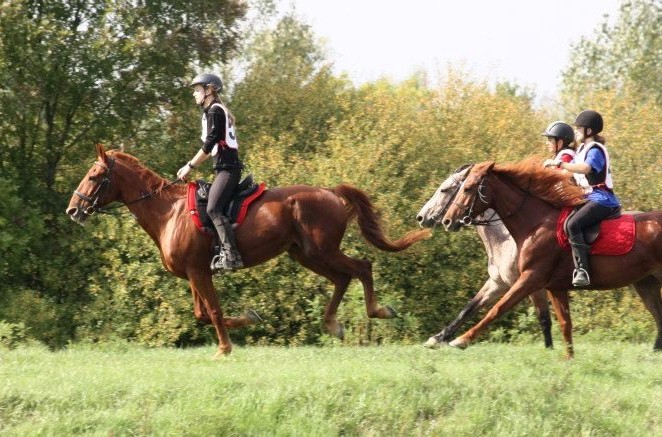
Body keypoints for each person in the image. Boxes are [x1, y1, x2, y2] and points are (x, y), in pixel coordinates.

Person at [544, 110, 621, 287]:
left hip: (602, 199)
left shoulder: (594, 149)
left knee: (573, 224)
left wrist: (560, 163)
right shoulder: (581, 149)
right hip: (587, 196)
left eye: (579, 129)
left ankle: (582, 271)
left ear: (589, 131)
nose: (576, 132)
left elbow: (586, 168)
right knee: (562, 221)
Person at [177, 73, 244, 271]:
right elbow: (209, 150)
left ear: (209, 91)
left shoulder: (215, 111)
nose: (194, 95)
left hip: (229, 170)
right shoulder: (210, 113)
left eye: (197, 90)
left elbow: (209, 145)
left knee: (213, 208)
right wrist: (190, 166)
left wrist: (189, 166)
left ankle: (231, 256)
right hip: (222, 170)